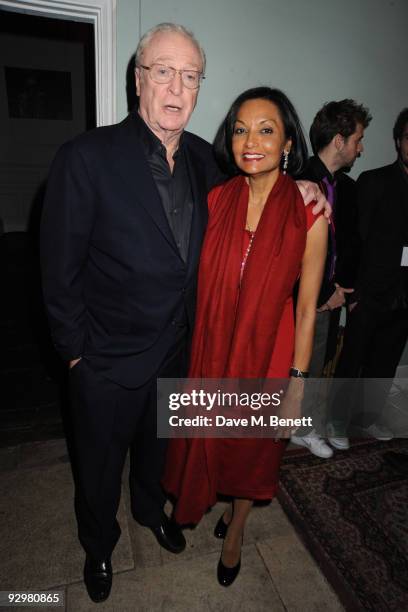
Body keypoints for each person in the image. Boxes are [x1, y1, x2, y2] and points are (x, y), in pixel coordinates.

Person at [40, 23, 329, 603]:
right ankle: (98, 547)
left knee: (158, 454)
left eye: (190, 76)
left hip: (180, 352)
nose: (176, 88)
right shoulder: (85, 157)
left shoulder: (205, 160)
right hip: (105, 360)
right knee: (97, 471)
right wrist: (76, 355)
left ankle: (152, 512)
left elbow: (261, 177)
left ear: (199, 89)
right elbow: (57, 271)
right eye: (164, 71)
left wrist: (304, 185)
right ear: (138, 79)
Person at [163, 87, 328, 587]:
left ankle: (236, 527)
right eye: (240, 129)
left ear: (287, 143)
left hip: (271, 352)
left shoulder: (310, 213)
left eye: (266, 129)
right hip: (214, 347)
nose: (250, 140)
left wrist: (297, 381)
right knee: (211, 435)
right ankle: (214, 501)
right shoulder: (217, 199)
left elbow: (306, 310)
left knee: (252, 449)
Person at [291, 99, 371, 458]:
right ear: (339, 140)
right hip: (306, 297)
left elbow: (351, 244)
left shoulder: (349, 189)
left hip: (336, 294)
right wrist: (323, 293)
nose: (361, 147)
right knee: (303, 362)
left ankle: (303, 424)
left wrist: (345, 290)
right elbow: (294, 252)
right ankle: (302, 427)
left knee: (323, 363)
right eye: (357, 138)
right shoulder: (298, 179)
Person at [329, 108, 408, 445]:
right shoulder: (374, 182)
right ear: (398, 142)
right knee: (353, 359)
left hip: (405, 296)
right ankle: (335, 421)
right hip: (369, 291)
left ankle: (368, 419)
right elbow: (356, 241)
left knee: (384, 362)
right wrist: (356, 291)